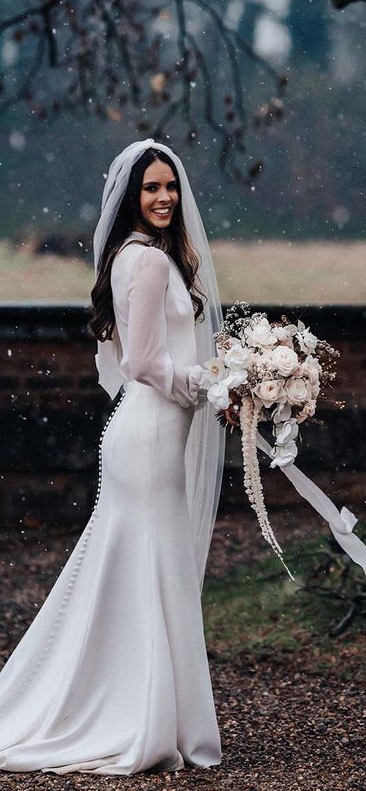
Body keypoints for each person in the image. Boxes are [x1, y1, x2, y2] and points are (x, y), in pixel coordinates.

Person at [0, 139, 225, 774]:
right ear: (132, 196)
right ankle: (139, 718)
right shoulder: (147, 263)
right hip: (148, 433)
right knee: (150, 569)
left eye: (170, 188)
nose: (163, 198)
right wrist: (217, 384)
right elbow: (144, 363)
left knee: (149, 570)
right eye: (151, 189)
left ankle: (148, 710)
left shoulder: (148, 258)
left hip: (150, 430)